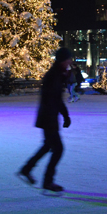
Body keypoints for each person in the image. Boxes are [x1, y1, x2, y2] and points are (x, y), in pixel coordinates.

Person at [17, 47, 72, 192]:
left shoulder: (56, 74)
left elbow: (55, 98)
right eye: (68, 59)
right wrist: (65, 116)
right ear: (62, 60)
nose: (70, 62)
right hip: (49, 117)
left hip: (48, 116)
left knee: (48, 146)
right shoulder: (55, 75)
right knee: (58, 149)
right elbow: (55, 99)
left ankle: (27, 169)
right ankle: (47, 181)